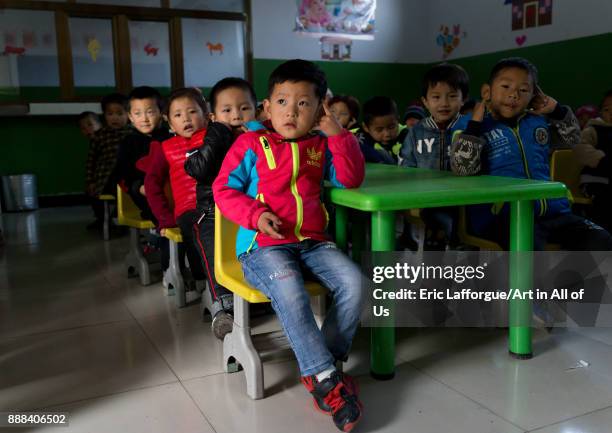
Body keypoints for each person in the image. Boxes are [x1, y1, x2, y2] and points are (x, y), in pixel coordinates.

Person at [213, 59, 365, 432]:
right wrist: (254, 214)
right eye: (282, 101)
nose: (291, 111)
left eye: (303, 103)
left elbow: (351, 180)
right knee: (291, 292)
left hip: (313, 244)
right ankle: (328, 382)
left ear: (319, 109)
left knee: (357, 283)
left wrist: (339, 136)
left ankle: (321, 364)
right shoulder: (251, 143)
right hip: (264, 247)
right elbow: (223, 190)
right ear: (267, 106)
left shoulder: (320, 145)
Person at [451, 57, 612, 251]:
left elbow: (572, 140)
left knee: (600, 238)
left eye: (523, 90)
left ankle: (570, 281)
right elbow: (462, 169)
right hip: (504, 217)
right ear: (487, 91)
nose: (514, 95)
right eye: (505, 86)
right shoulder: (471, 129)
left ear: (533, 95)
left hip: (555, 213)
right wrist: (475, 125)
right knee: (529, 247)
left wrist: (556, 110)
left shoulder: (538, 123)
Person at [184, 77, 264, 339]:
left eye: (244, 108)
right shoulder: (208, 136)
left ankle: (260, 297)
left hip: (251, 211)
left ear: (257, 109)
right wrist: (217, 134)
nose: (236, 116)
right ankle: (223, 308)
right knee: (213, 251)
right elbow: (198, 169)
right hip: (213, 212)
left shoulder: (263, 136)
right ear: (213, 115)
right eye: (226, 110)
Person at [144, 88, 211, 311]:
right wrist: (163, 217)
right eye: (178, 114)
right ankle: (203, 282)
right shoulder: (165, 148)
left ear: (206, 113)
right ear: (170, 122)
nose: (186, 118)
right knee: (194, 229)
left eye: (192, 111)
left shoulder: (216, 137)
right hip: (187, 209)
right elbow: (152, 185)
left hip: (219, 204)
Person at [399, 63, 470, 249]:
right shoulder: (417, 131)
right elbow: (407, 166)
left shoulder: (469, 128)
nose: (444, 103)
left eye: (452, 96)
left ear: (464, 99)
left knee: (465, 233)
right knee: (435, 227)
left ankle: (468, 273)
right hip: (429, 200)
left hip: (466, 199)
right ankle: (433, 274)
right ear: (425, 101)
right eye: (436, 97)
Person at [114, 86, 171, 221]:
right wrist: (141, 187)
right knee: (137, 186)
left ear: (161, 113)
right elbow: (124, 172)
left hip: (169, 188)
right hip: (142, 190)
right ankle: (157, 232)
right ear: (130, 117)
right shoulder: (128, 142)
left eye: (150, 112)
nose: (144, 119)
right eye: (138, 113)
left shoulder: (170, 137)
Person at [85, 93, 130, 230]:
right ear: (104, 115)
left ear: (129, 115)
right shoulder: (100, 135)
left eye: (119, 113)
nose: (114, 117)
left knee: (124, 194)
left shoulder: (132, 134)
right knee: (93, 195)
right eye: (110, 114)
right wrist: (90, 181)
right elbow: (91, 159)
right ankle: (102, 219)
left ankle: (119, 218)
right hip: (103, 178)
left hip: (125, 177)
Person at [574, 89, 612, 232]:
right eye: (607, 109)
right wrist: (600, 159)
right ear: (601, 112)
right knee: (605, 203)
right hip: (596, 180)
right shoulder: (594, 129)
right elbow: (579, 147)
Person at [353, 96, 408, 164]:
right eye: (379, 130)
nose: (387, 134)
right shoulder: (355, 138)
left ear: (398, 120)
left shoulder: (409, 135)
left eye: (391, 127)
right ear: (366, 128)